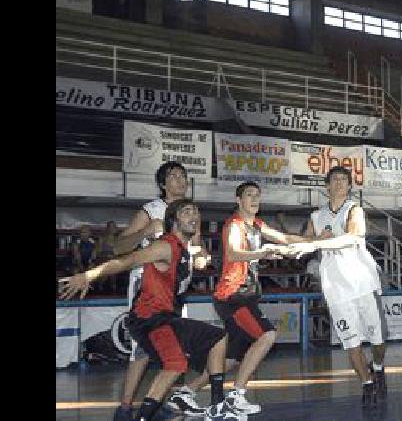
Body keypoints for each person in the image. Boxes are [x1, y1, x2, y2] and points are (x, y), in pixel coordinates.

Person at [59, 199, 238, 421]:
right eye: (187, 212)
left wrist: (201, 257)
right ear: (172, 220)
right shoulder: (165, 246)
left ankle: (151, 414)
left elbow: (194, 259)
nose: (194, 216)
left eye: (196, 213)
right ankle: (216, 405)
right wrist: (87, 275)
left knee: (180, 362)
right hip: (150, 319)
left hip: (163, 318)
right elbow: (127, 260)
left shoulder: (184, 250)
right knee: (200, 347)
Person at [173, 181, 305, 415]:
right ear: (238, 200)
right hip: (233, 296)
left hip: (245, 296)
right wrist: (263, 252)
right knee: (267, 335)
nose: (254, 199)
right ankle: (236, 395)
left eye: (257, 195)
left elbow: (284, 238)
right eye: (249, 195)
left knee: (232, 358)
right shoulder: (234, 225)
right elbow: (233, 253)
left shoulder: (256, 224)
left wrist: (315, 242)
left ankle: (186, 392)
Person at [110, 162, 211, 420]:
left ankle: (165, 406)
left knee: (176, 351)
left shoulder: (191, 214)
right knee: (141, 351)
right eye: (173, 176)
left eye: (183, 175)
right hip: (148, 287)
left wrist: (202, 256)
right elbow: (118, 247)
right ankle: (124, 409)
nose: (180, 179)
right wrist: (144, 231)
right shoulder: (150, 210)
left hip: (177, 290)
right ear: (163, 184)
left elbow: (197, 248)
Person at [286, 166, 388, 407]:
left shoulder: (354, 209)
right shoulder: (316, 216)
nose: (340, 183)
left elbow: (354, 235)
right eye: (335, 179)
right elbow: (307, 240)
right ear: (327, 186)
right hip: (336, 289)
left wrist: (319, 243)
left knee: (378, 340)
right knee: (351, 342)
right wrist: (295, 245)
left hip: (363, 283)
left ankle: (378, 367)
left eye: (344, 179)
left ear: (350, 186)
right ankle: (367, 384)